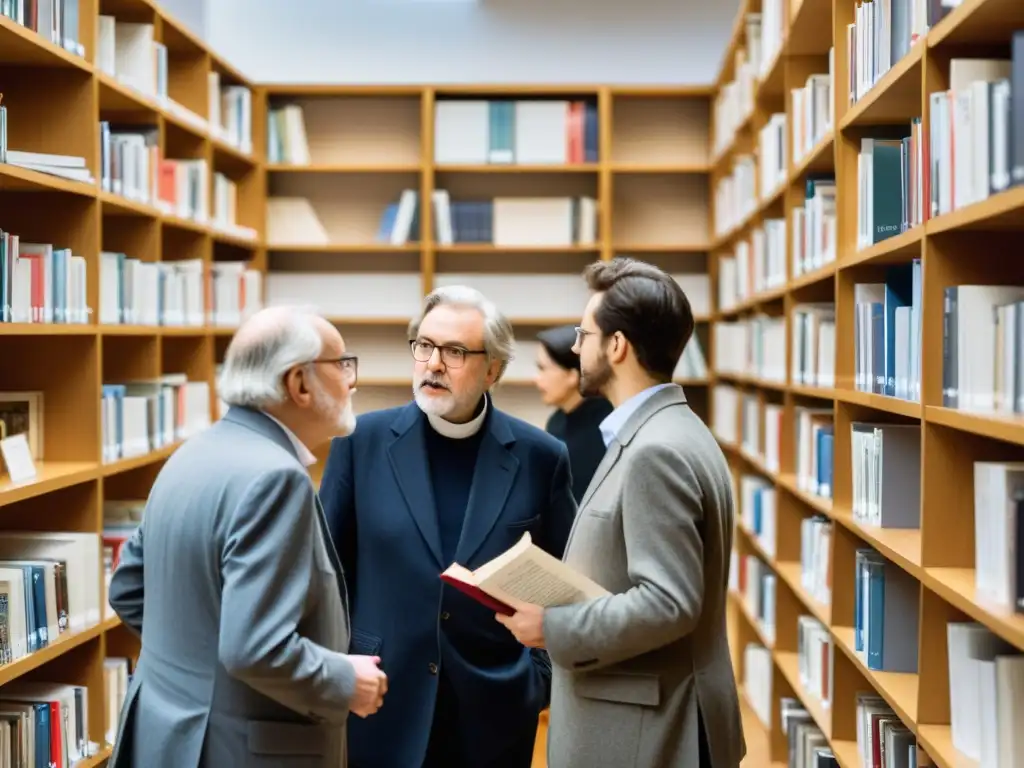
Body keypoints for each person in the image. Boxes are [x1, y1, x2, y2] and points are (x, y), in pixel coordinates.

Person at [106, 305, 388, 768]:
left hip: (166, 739)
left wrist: (198, 677)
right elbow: (254, 648)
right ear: (299, 383)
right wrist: (342, 679)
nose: (351, 381)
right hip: (240, 751)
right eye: (342, 364)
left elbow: (129, 589)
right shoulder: (276, 479)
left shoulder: (189, 454)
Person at [497, 257, 746, 768]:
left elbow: (669, 602)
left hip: (647, 730)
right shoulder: (674, 429)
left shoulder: (656, 451)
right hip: (650, 717)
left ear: (617, 346)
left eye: (583, 333)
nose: (574, 346)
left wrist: (555, 627)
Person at [319, 285, 578, 768]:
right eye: (425, 345)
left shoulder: (540, 457)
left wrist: (536, 677)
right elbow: (324, 572)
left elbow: (566, 583)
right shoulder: (361, 442)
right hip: (380, 698)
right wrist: (337, 670)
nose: (434, 363)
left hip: (494, 707)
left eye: (455, 352)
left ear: (494, 369)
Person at [534, 324, 613, 503]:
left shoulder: (609, 424)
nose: (536, 379)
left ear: (572, 375)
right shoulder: (555, 422)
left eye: (543, 368)